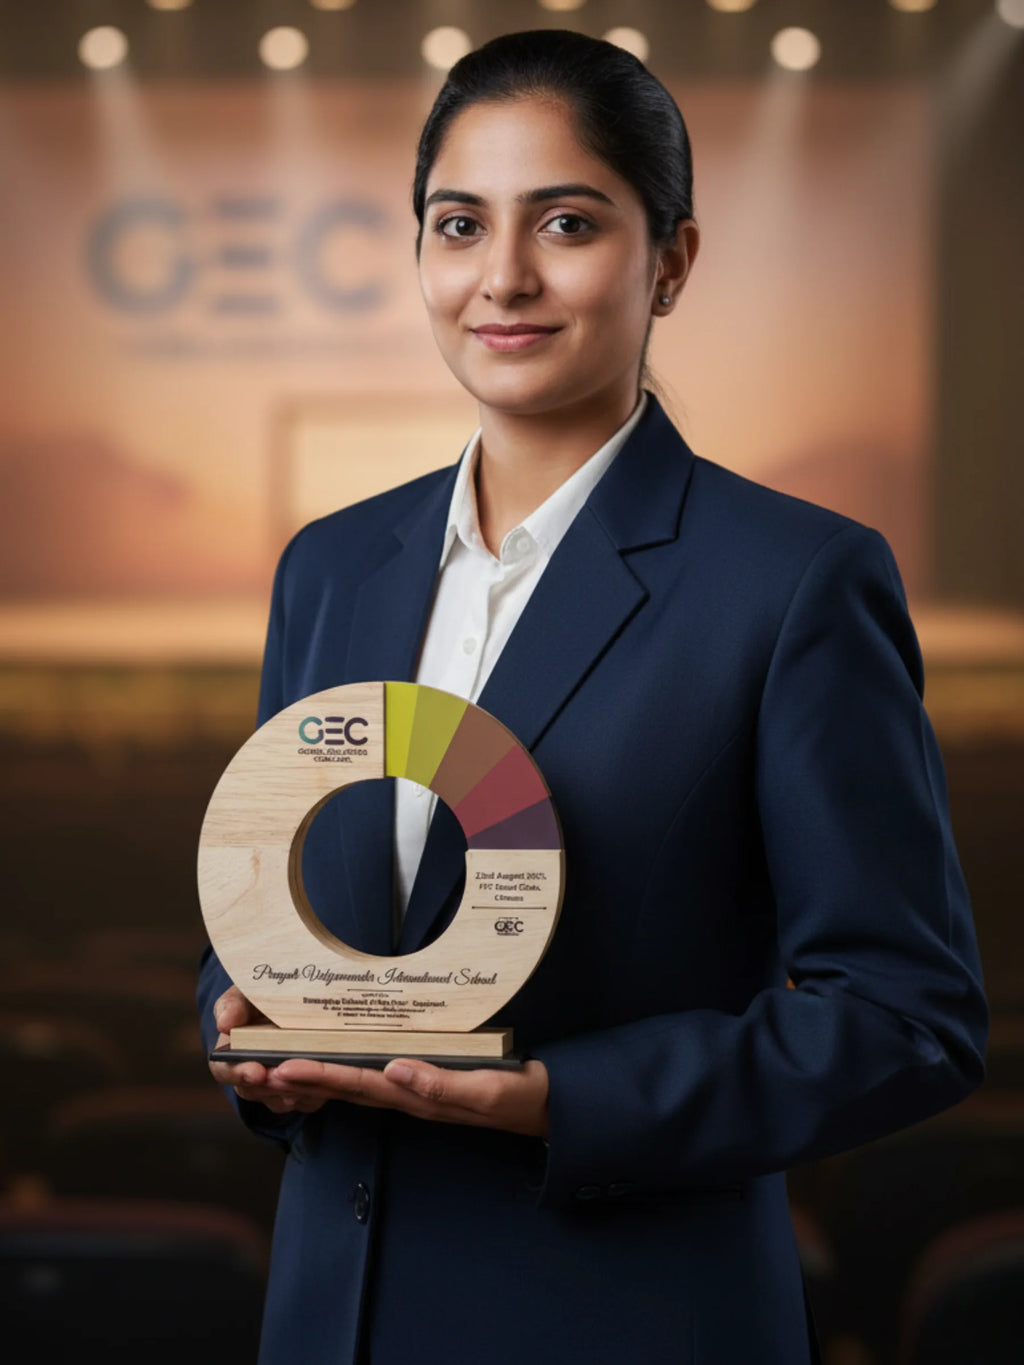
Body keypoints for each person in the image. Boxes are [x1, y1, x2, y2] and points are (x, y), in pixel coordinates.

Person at [198, 29, 988, 1365]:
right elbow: (271, 901)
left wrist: (553, 1096)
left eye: (567, 222)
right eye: (459, 224)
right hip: (333, 1318)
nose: (502, 276)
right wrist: (242, 1019)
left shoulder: (794, 582)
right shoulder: (331, 566)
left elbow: (903, 1017)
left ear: (671, 261)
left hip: (625, 1315)